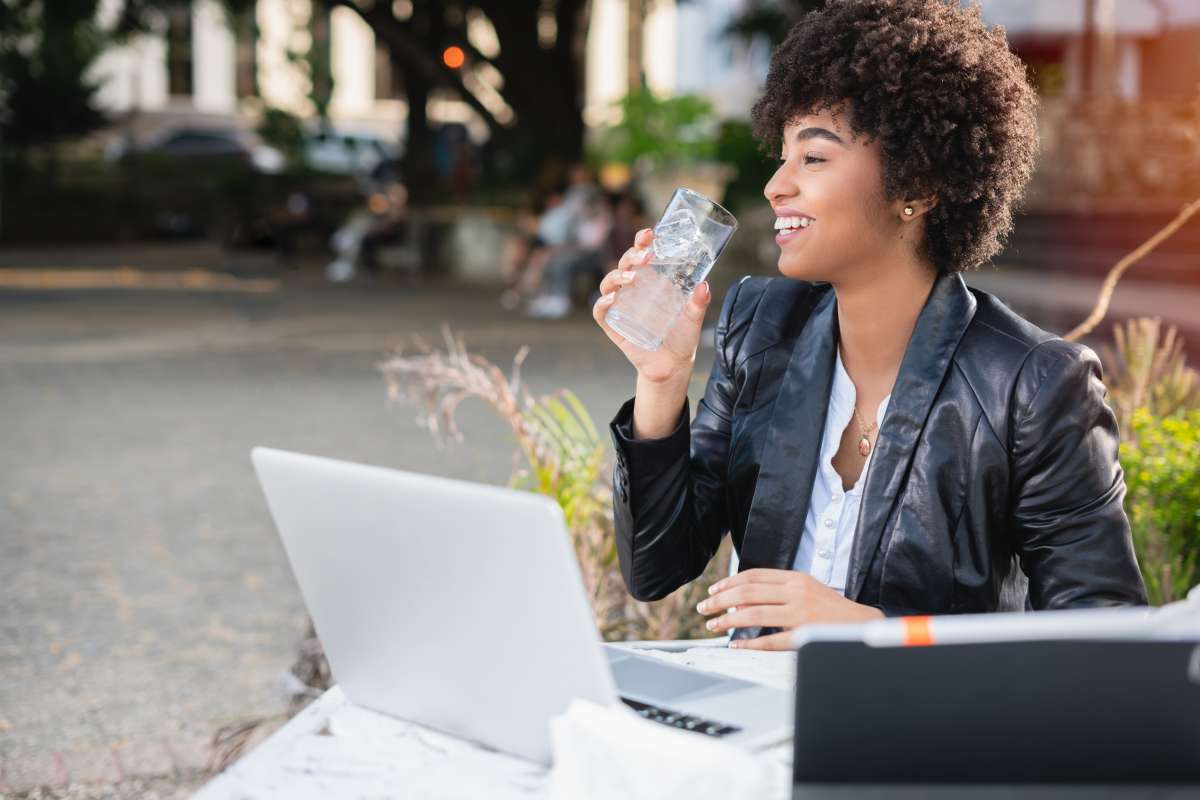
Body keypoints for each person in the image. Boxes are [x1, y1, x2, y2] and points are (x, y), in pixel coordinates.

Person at [592, 0, 1147, 651]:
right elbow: (657, 568)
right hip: (755, 707)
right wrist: (662, 380)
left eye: (814, 159)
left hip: (925, 735)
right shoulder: (761, 326)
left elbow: (1105, 640)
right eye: (782, 155)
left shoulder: (1034, 384)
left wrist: (881, 634)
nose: (776, 185)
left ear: (917, 185)